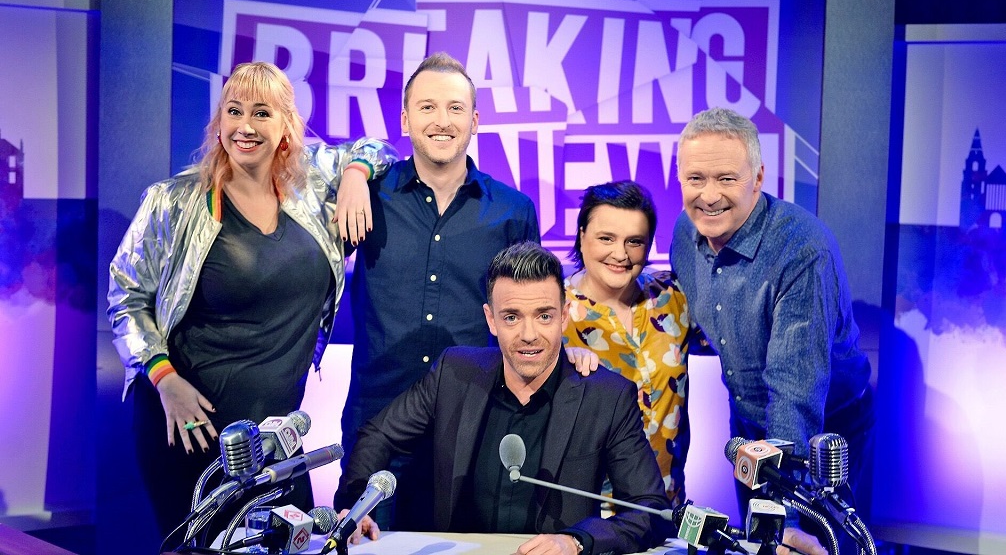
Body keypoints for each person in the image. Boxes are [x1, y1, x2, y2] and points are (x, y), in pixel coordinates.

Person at [107, 61, 397, 539]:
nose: (244, 126)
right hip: (191, 434)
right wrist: (164, 379)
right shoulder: (173, 201)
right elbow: (126, 297)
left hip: (278, 444)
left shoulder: (312, 191)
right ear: (219, 122)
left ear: (286, 125)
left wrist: (355, 175)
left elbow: (378, 150)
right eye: (233, 111)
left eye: (261, 113)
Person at [334, 241, 674, 555]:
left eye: (544, 316)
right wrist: (356, 504)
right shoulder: (455, 372)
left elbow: (651, 510)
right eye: (512, 317)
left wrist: (576, 542)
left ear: (564, 316)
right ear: (491, 319)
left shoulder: (606, 395)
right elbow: (378, 434)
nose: (529, 335)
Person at [334, 51, 541, 529]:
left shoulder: (512, 210)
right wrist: (354, 170)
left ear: (474, 120)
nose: (441, 121)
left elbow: (533, 316)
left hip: (477, 425)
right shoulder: (369, 195)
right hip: (377, 426)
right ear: (405, 119)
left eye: (454, 108)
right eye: (427, 107)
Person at [670, 107, 873, 553]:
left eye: (726, 178)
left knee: (815, 546)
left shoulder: (802, 250)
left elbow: (795, 392)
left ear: (758, 178)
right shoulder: (685, 233)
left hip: (824, 434)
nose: (709, 195)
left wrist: (787, 519)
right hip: (749, 423)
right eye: (695, 178)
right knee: (763, 544)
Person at [562, 180, 692, 505]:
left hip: (668, 511)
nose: (620, 254)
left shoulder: (672, 296)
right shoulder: (551, 313)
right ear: (581, 236)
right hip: (588, 521)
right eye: (606, 238)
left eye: (634, 242)